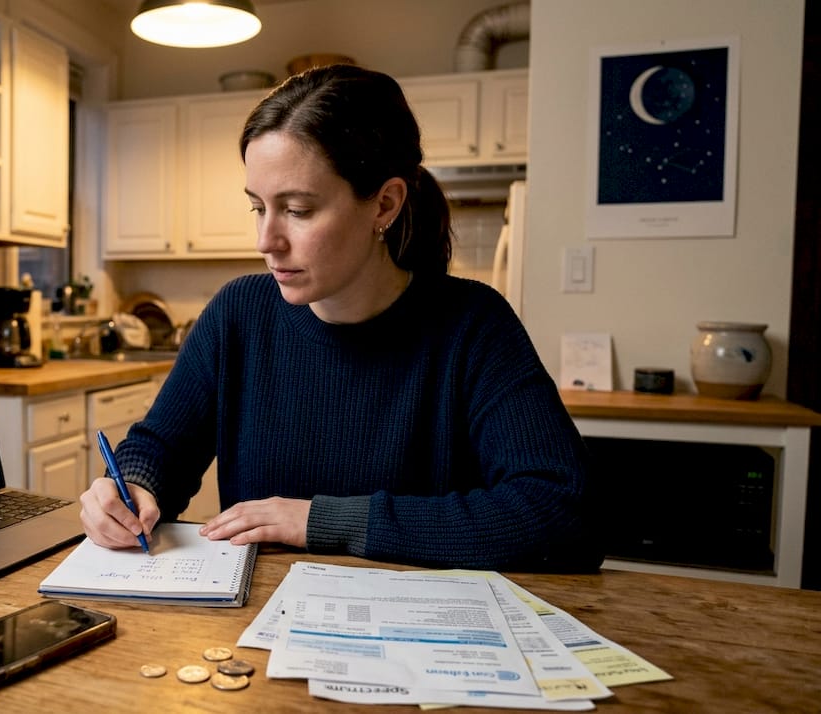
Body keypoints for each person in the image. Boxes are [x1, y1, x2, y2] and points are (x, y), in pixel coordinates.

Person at [79, 64, 602, 572]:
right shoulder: (239, 313)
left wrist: (321, 521)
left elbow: (564, 512)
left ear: (384, 205)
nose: (266, 242)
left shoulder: (472, 325)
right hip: (256, 633)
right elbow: (160, 448)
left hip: (419, 638)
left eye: (299, 210)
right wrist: (132, 486)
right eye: (258, 207)